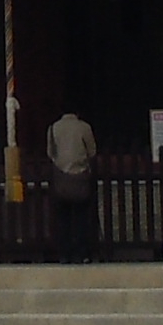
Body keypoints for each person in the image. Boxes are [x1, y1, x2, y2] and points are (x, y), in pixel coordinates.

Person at [44, 107, 99, 257]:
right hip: (80, 176)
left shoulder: (53, 128)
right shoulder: (84, 127)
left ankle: (64, 253)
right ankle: (81, 252)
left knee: (63, 218)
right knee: (81, 217)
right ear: (77, 113)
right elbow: (92, 151)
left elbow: (50, 153)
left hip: (61, 177)